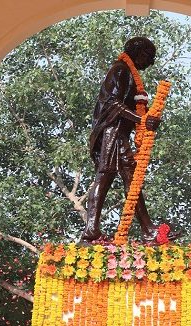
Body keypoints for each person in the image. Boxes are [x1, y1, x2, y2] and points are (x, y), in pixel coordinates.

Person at [81, 37, 165, 242]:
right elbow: (111, 103)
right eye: (148, 56)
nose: (150, 63)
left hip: (120, 134)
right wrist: (142, 119)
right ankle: (91, 230)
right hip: (111, 132)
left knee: (132, 180)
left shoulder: (128, 72)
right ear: (137, 52)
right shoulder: (120, 70)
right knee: (105, 176)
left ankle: (148, 230)